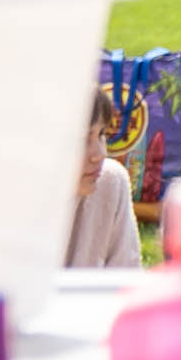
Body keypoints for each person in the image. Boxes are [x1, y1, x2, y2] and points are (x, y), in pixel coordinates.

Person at [64, 83, 141, 270]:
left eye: (101, 135)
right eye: (83, 139)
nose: (100, 154)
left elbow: (126, 277)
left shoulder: (110, 182)